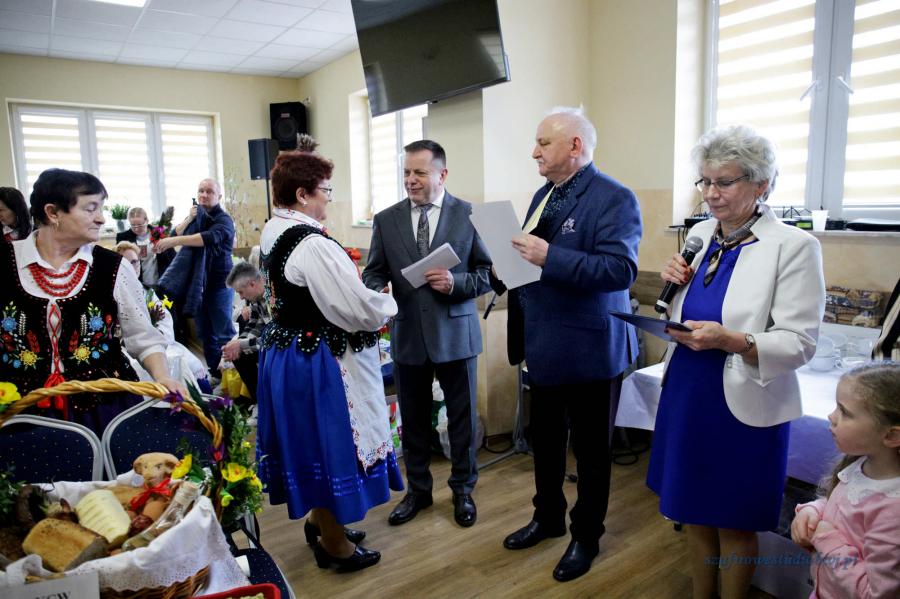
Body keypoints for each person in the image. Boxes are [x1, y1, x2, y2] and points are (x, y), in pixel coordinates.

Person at [646, 124, 825, 599]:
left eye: (724, 182)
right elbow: (685, 310)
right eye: (705, 182)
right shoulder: (701, 234)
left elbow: (801, 342)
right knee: (692, 511)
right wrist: (673, 287)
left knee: (734, 519)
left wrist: (735, 340)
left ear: (761, 184)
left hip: (745, 398)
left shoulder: (793, 246)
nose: (710, 194)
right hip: (689, 387)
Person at [497, 107, 642, 582]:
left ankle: (586, 535)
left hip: (589, 349)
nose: (534, 152)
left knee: (592, 453)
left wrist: (549, 256)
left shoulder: (614, 198)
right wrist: (507, 264)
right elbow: (534, 261)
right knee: (545, 443)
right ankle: (547, 518)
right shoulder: (545, 194)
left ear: (575, 146)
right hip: (542, 343)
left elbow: (620, 271)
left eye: (543, 143)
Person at [257, 150, 403, 573]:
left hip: (287, 351)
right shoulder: (312, 245)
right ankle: (335, 546)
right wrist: (388, 302)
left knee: (308, 442)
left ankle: (322, 523)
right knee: (328, 445)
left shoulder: (274, 228)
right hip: (317, 359)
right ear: (303, 194)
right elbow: (355, 308)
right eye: (325, 189)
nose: (329, 197)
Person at [362, 139, 492, 528]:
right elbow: (373, 271)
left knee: (462, 421)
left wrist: (456, 283)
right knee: (414, 421)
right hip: (408, 335)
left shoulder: (470, 215)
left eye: (419, 172)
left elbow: (487, 274)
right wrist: (378, 289)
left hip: (456, 335)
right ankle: (418, 491)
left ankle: (463, 490)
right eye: (406, 172)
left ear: (442, 174)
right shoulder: (386, 219)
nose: (410, 180)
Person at [0, 169, 184, 434]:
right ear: (53, 213)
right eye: (90, 209)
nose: (101, 218)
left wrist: (163, 376)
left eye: (101, 208)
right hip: (19, 411)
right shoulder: (5, 262)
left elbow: (143, 338)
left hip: (105, 407)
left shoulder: (113, 267)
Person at [791, 361, 900, 599]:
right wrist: (814, 510)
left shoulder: (893, 511)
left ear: (892, 435)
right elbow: (844, 508)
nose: (831, 417)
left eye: (845, 412)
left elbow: (874, 593)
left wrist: (826, 538)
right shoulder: (860, 466)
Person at [155, 179, 235, 378]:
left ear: (219, 196)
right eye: (201, 191)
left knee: (223, 333)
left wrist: (174, 241)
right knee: (205, 334)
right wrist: (189, 219)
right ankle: (216, 375)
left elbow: (208, 237)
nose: (204, 195)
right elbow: (176, 232)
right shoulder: (196, 217)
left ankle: (235, 379)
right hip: (198, 285)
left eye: (209, 191)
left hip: (219, 284)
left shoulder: (224, 219)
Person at [114, 241, 211, 393]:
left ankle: (197, 401)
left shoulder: (149, 292)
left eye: (134, 262)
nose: (131, 267)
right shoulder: (113, 294)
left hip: (160, 342)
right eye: (125, 263)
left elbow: (164, 319)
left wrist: (158, 334)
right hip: (129, 349)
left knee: (188, 364)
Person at [222, 261, 271, 402]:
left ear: (252, 284)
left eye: (240, 292)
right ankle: (260, 400)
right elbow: (255, 324)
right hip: (271, 340)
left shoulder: (273, 297)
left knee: (242, 349)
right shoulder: (256, 297)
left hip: (285, 346)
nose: (241, 297)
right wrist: (238, 344)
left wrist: (240, 345)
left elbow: (275, 339)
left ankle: (269, 401)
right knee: (239, 356)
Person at [115, 206, 174, 287]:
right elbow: (119, 262)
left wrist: (162, 250)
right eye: (133, 225)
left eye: (140, 225)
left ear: (146, 221)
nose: (136, 229)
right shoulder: (123, 237)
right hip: (136, 282)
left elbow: (172, 257)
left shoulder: (160, 233)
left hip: (160, 280)